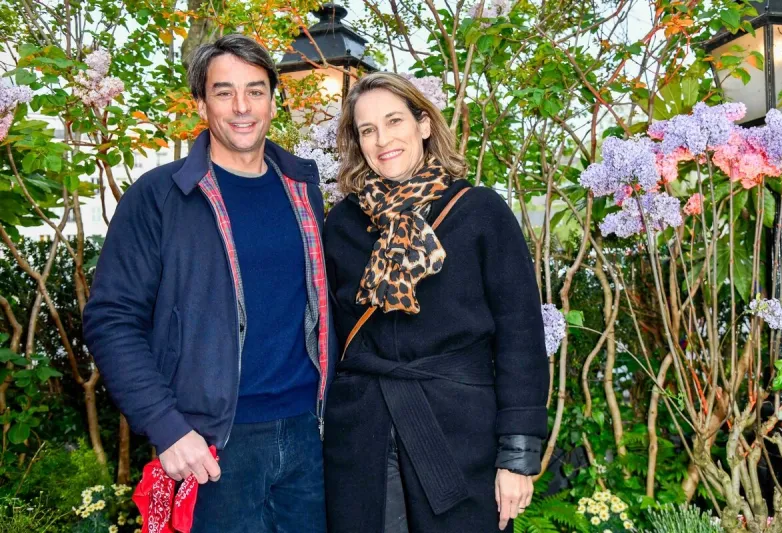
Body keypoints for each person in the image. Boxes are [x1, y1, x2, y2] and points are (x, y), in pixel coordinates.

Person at [83, 33, 333, 532]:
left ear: (273, 99)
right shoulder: (160, 197)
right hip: (213, 445)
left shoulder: (304, 190)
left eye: (256, 90)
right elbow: (111, 320)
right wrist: (168, 427)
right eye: (224, 92)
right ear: (201, 102)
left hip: (309, 437)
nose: (242, 107)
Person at [322, 71, 549, 533]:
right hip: (362, 439)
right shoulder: (343, 224)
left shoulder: (479, 212)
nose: (382, 140)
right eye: (367, 130)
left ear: (424, 125)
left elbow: (520, 334)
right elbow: (325, 334)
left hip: (460, 436)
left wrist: (518, 457)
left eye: (394, 121)